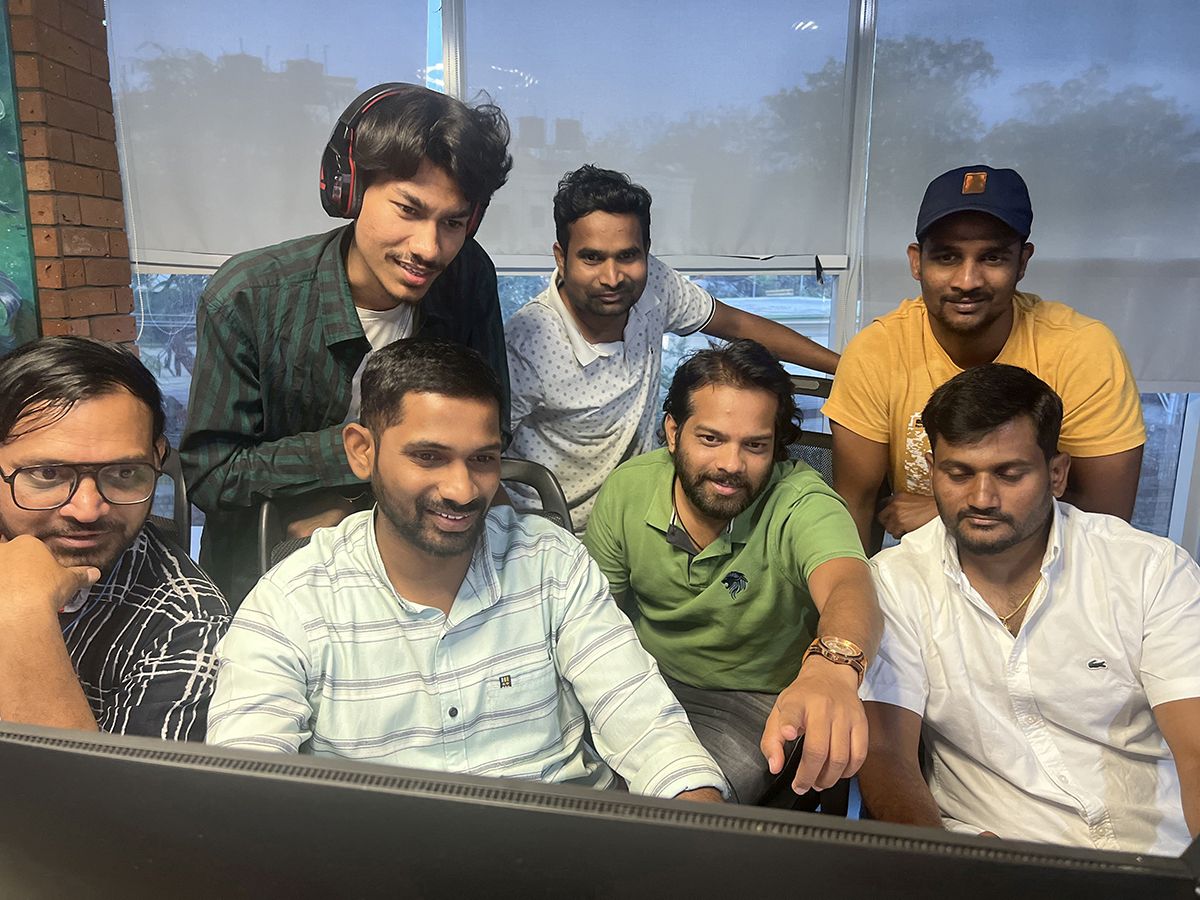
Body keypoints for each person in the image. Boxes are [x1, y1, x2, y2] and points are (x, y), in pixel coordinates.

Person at [207, 339, 728, 803]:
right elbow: (244, 786)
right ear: (362, 452)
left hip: (559, 848)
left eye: (482, 459)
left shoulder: (552, 563)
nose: (462, 490)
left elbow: (644, 721)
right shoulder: (290, 601)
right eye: (428, 457)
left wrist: (698, 816)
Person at [181, 83, 514, 606]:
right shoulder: (248, 296)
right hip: (272, 571)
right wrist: (354, 457)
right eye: (408, 210)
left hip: (424, 557)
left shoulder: (468, 276)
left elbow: (494, 427)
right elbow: (213, 473)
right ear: (349, 190)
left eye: (453, 223)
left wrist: (367, 502)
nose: (429, 249)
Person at [857, 364, 1200, 854]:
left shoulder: (1149, 569)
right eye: (958, 473)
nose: (981, 498)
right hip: (996, 858)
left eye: (1009, 474)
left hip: (1157, 854)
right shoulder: (894, 581)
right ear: (933, 470)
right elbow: (886, 752)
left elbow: (1196, 748)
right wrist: (941, 861)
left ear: (1056, 474)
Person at [583, 340, 881, 804]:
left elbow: (848, 583)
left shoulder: (802, 502)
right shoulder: (629, 488)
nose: (730, 465)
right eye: (710, 439)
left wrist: (832, 667)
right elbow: (597, 620)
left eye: (755, 445)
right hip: (642, 679)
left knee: (675, 813)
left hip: (751, 699)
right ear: (673, 432)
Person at [823, 164, 1144, 553]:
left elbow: (1106, 524)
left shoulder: (1083, 350)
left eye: (992, 258)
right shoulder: (876, 352)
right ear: (916, 262)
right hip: (925, 569)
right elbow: (853, 508)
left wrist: (948, 513)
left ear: (1022, 262)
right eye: (947, 257)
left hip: (1052, 567)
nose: (967, 281)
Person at [506, 165, 841, 531]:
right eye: (592, 258)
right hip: (558, 530)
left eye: (627, 256)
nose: (612, 277)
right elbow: (483, 457)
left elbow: (736, 325)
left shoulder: (656, 285)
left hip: (639, 516)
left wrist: (845, 366)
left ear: (646, 253)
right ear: (561, 257)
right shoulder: (528, 341)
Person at [0, 336, 229, 739]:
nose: (87, 509)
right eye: (48, 474)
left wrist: (21, 614)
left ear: (158, 458)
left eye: (124, 473)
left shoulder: (186, 630)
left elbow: (94, 784)